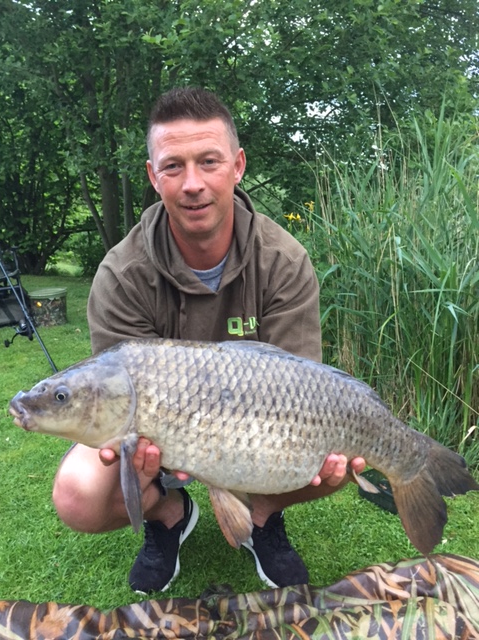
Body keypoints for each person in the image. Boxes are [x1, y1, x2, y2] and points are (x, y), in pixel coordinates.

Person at [52, 87, 365, 594]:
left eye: (209, 161)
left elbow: (304, 389)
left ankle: (262, 515)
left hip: (260, 428)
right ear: (154, 177)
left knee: (334, 463)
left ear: (237, 166)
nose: (193, 183)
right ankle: (170, 514)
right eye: (173, 166)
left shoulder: (283, 260)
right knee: (77, 493)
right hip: (157, 436)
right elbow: (112, 387)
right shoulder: (122, 272)